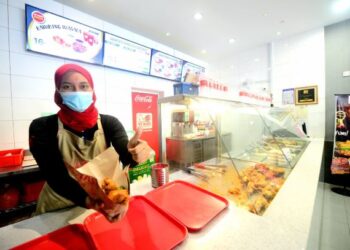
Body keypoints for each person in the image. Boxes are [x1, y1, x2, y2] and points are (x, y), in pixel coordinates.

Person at [29, 63, 152, 220]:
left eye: (83, 86)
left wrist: (135, 154)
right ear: (58, 92)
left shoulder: (109, 123)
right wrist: (90, 200)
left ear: (92, 90)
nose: (77, 92)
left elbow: (126, 156)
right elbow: (55, 176)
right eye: (67, 87)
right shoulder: (43, 127)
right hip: (59, 205)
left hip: (100, 201)